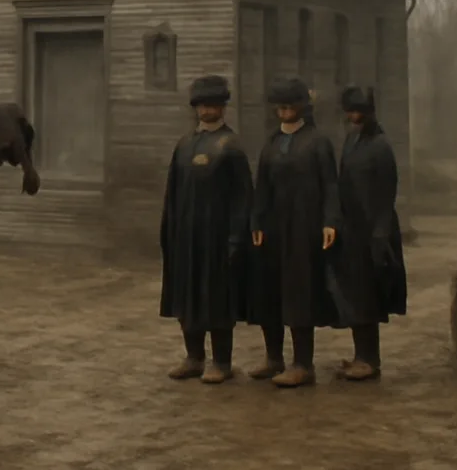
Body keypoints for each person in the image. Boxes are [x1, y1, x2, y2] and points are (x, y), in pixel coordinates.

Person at [160, 75, 254, 385]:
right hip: (186, 237)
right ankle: (193, 357)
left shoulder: (231, 146)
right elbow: (172, 192)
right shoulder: (185, 145)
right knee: (187, 295)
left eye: (212, 105)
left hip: (217, 238)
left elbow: (243, 197)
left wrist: (236, 237)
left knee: (216, 297)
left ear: (223, 107)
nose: (206, 111)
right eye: (201, 105)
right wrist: (170, 231)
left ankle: (222, 362)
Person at [247, 77, 340, 388]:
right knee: (270, 292)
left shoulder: (317, 142)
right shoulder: (272, 144)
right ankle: (274, 358)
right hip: (273, 231)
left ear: (302, 107)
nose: (285, 110)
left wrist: (330, 222)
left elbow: (330, 185)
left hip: (304, 229)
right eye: (281, 106)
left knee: (300, 293)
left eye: (291, 105)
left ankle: (303, 364)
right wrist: (257, 222)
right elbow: (262, 188)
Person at [332, 85, 407, 381]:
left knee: (369, 296)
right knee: (354, 295)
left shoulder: (380, 145)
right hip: (352, 230)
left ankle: (370, 360)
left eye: (359, 112)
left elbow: (387, 194)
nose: (354, 116)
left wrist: (380, 235)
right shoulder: (352, 140)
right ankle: (359, 355)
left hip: (374, 231)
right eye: (351, 111)